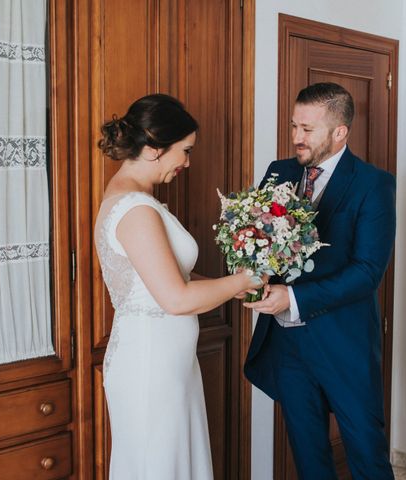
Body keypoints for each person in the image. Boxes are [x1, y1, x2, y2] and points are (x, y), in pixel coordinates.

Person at [94, 94, 264, 479]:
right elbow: (174, 298)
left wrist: (227, 286)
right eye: (184, 151)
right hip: (150, 363)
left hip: (165, 359)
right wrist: (246, 278)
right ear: (154, 147)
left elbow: (169, 279)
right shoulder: (136, 210)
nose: (187, 162)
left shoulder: (139, 201)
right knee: (158, 465)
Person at [243, 82, 396, 479]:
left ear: (339, 131)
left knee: (367, 454)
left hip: (344, 342)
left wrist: (292, 298)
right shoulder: (279, 172)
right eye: (294, 126)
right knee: (309, 457)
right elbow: (258, 243)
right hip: (287, 345)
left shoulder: (373, 184)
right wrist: (251, 275)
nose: (296, 137)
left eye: (307, 129)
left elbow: (367, 271)